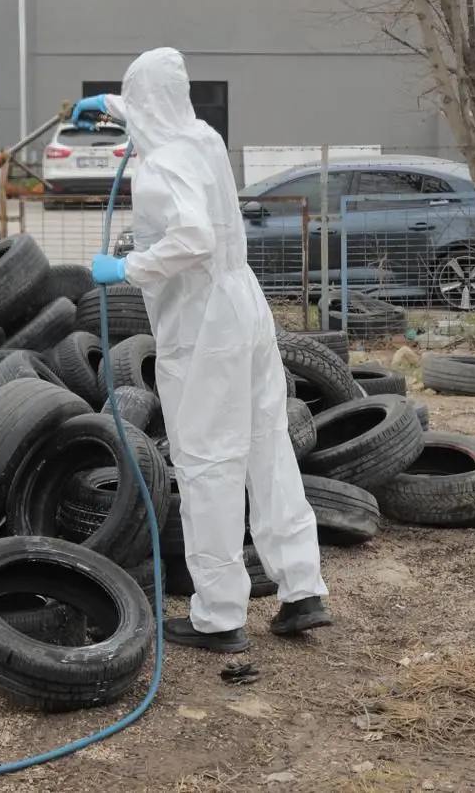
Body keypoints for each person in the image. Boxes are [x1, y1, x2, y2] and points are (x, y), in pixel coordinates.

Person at [73, 47, 330, 654]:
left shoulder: (159, 168)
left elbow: (191, 237)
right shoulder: (202, 137)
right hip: (245, 306)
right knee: (268, 449)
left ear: (146, 105)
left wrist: (127, 267)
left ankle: (219, 617)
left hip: (202, 323)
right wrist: (109, 105)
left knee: (208, 462)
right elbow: (157, 116)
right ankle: (302, 590)